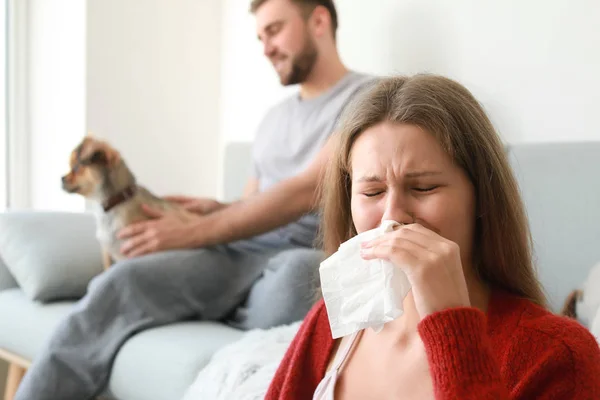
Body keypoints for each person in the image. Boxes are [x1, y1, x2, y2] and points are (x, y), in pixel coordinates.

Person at [15, 1, 373, 399]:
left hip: (295, 256)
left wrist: (192, 234)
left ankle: (205, 303)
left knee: (300, 279)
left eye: (273, 30)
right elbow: (252, 203)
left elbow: (309, 189)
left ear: (319, 20)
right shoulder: (273, 119)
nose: (265, 48)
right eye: (260, 37)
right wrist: (214, 211)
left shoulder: (364, 100)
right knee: (121, 281)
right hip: (237, 255)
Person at [265, 74, 600, 399]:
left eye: (424, 187)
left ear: (482, 198)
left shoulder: (559, 356)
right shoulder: (331, 321)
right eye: (372, 192)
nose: (392, 215)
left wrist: (453, 328)